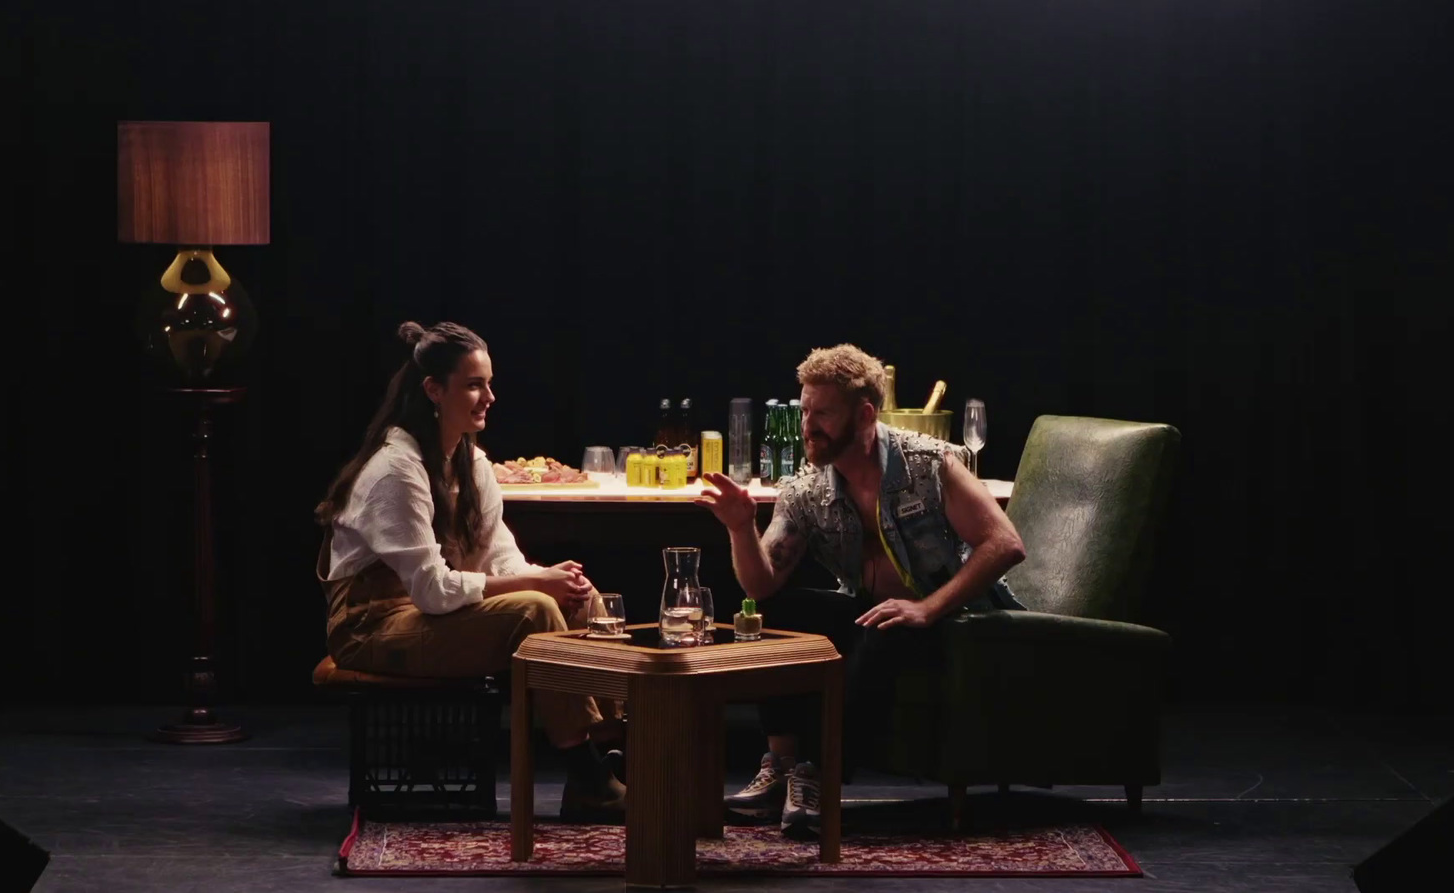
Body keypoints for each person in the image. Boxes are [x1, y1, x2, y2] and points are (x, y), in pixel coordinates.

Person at [697, 345, 1028, 836]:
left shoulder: (929, 465)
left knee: (885, 627)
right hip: (879, 610)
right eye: (805, 410)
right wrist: (741, 528)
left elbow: (1004, 543)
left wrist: (927, 608)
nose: (808, 424)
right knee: (767, 612)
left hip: (959, 619)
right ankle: (780, 767)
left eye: (823, 413)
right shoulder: (807, 488)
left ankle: (816, 777)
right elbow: (762, 583)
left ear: (866, 414)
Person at [315, 321, 625, 818]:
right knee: (534, 609)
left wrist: (553, 577)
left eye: (489, 383)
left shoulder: (471, 462)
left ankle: (611, 759)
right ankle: (587, 776)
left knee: (582, 599)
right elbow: (434, 591)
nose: (489, 397)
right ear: (434, 391)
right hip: (371, 626)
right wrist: (533, 583)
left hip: (427, 615)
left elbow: (501, 558)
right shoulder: (397, 469)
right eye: (474, 384)